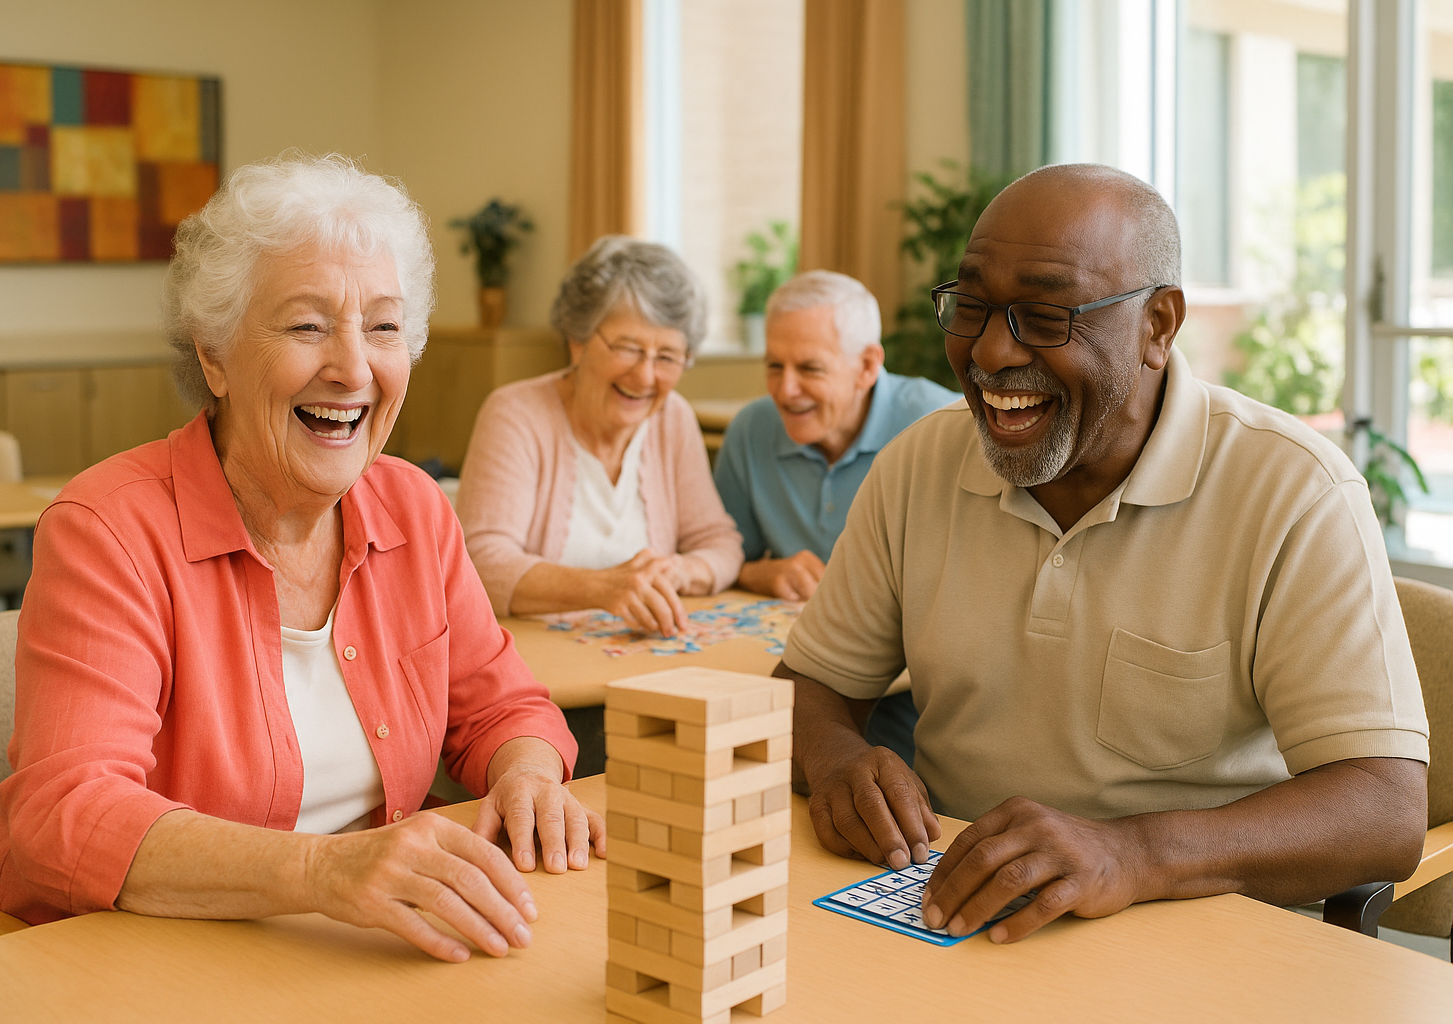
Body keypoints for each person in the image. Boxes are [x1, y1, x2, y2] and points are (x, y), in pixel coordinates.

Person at [0, 155, 600, 965]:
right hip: (107, 961)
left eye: (383, 326)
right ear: (215, 358)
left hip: (326, 952)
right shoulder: (108, 529)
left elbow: (502, 710)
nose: (354, 368)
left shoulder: (413, 507)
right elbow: (67, 814)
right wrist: (327, 870)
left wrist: (529, 777)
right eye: (307, 326)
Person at [781, 163, 1429, 945]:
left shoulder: (1295, 490)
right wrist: (838, 758)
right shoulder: (920, 462)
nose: (989, 352)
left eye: (1045, 316)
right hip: (954, 915)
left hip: (1199, 938)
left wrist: (1132, 853)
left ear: (1158, 325)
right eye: (974, 306)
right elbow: (810, 686)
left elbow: (1386, 812)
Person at [713, 270, 957, 763]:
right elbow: (715, 553)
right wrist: (759, 570)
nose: (786, 391)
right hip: (791, 670)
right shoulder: (752, 429)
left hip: (911, 686)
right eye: (774, 366)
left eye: (810, 369)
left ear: (867, 366)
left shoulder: (940, 431)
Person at [456, 236, 743, 638]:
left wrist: (678, 572)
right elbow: (481, 563)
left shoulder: (673, 418)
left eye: (666, 357)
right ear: (578, 341)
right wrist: (604, 588)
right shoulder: (516, 414)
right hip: (534, 665)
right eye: (627, 348)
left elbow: (720, 543)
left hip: (642, 660)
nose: (644, 376)